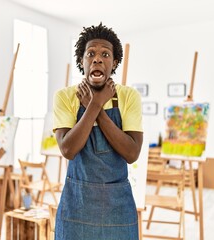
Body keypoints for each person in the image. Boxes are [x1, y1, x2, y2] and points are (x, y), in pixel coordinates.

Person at [53, 23, 143, 240]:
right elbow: (68, 149)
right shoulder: (65, 96)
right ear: (81, 61)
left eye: (105, 54)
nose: (97, 59)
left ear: (114, 63)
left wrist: (96, 107)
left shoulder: (128, 96)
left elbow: (132, 153)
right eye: (90, 53)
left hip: (117, 207)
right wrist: (95, 105)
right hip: (77, 205)